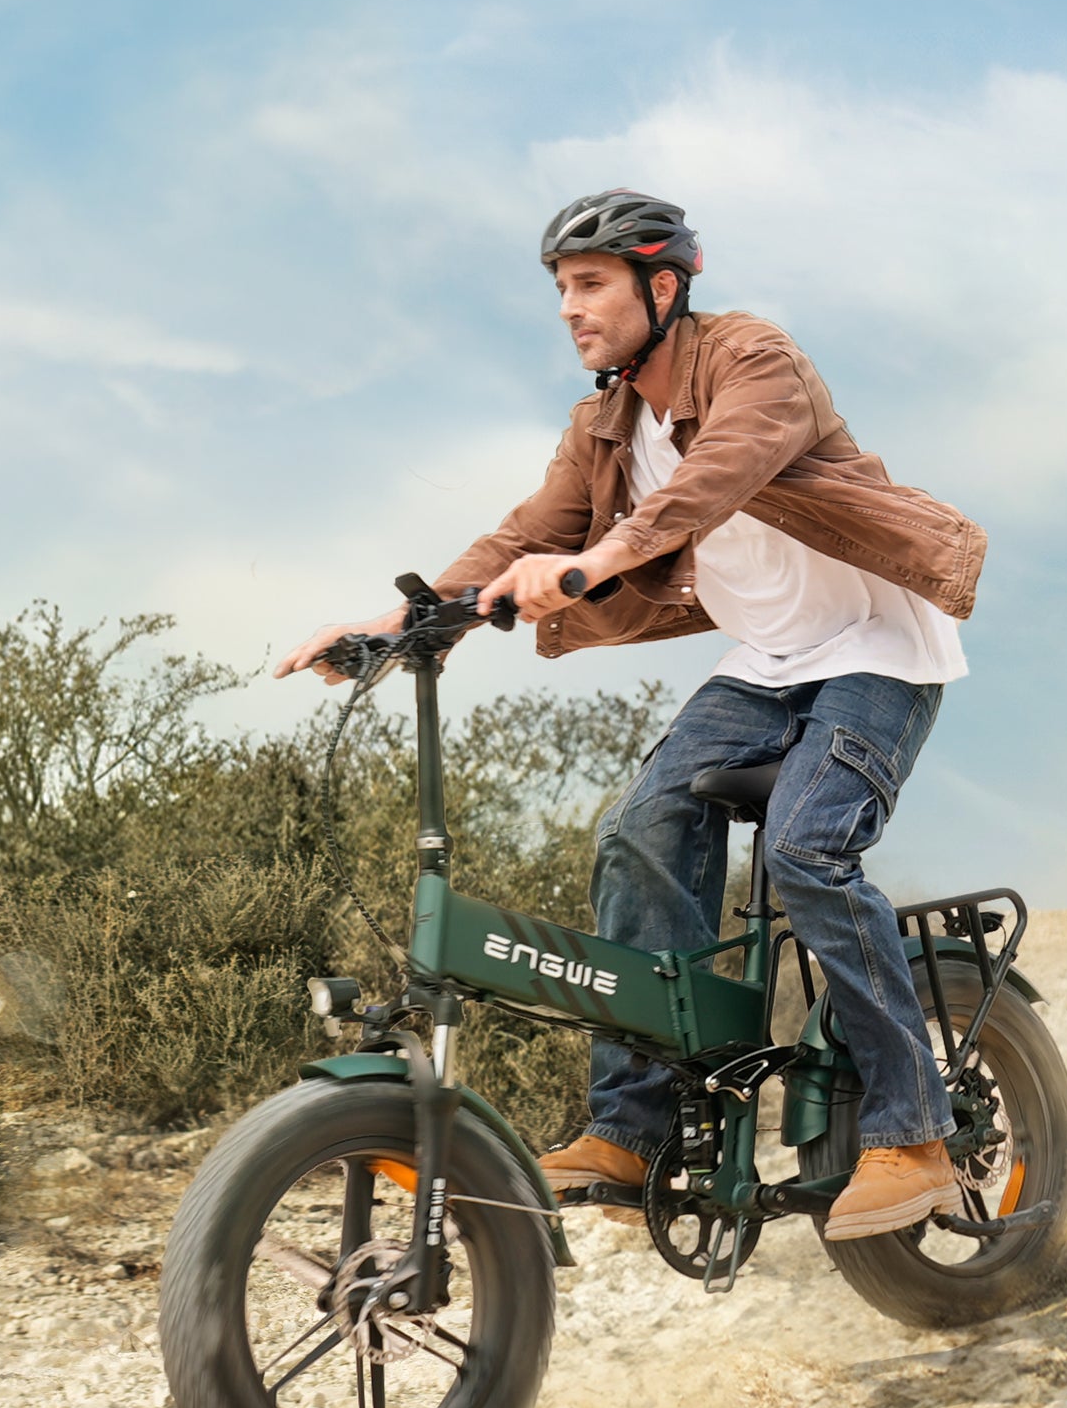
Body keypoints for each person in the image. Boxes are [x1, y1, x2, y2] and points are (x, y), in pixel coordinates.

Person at [277, 189, 987, 1239]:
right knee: (636, 830)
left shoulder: (753, 360)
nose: (570, 307)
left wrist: (600, 560)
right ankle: (638, 1128)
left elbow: (715, 476)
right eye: (561, 289)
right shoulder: (604, 424)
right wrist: (401, 621)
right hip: (770, 661)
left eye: (590, 283)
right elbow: (525, 533)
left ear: (662, 287)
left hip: (877, 646)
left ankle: (914, 1133)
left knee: (804, 851)